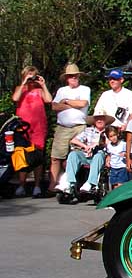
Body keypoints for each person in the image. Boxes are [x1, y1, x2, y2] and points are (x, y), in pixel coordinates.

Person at [49, 63, 90, 193]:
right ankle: (53, 185)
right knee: (56, 157)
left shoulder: (85, 89)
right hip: (63, 127)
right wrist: (73, 105)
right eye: (71, 76)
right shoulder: (62, 91)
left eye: (75, 76)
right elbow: (54, 106)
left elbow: (83, 103)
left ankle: (75, 184)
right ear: (67, 78)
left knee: (78, 156)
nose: (74, 78)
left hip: (79, 126)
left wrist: (66, 102)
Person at [11, 66, 52, 197]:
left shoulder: (39, 91)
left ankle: (37, 186)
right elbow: (15, 98)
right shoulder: (20, 89)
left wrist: (43, 85)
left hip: (38, 127)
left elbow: (49, 100)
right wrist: (24, 82)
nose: (31, 79)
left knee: (37, 157)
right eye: (29, 76)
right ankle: (21, 185)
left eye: (33, 76)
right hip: (23, 128)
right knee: (22, 155)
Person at [61, 114, 112, 203]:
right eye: (97, 119)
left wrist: (95, 145)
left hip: (101, 156)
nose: (99, 121)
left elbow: (110, 143)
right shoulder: (88, 130)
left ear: (105, 121)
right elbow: (73, 140)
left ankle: (90, 183)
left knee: (99, 155)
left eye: (102, 119)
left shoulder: (109, 131)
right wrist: (85, 146)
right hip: (87, 155)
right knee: (73, 155)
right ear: (94, 121)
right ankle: (70, 183)